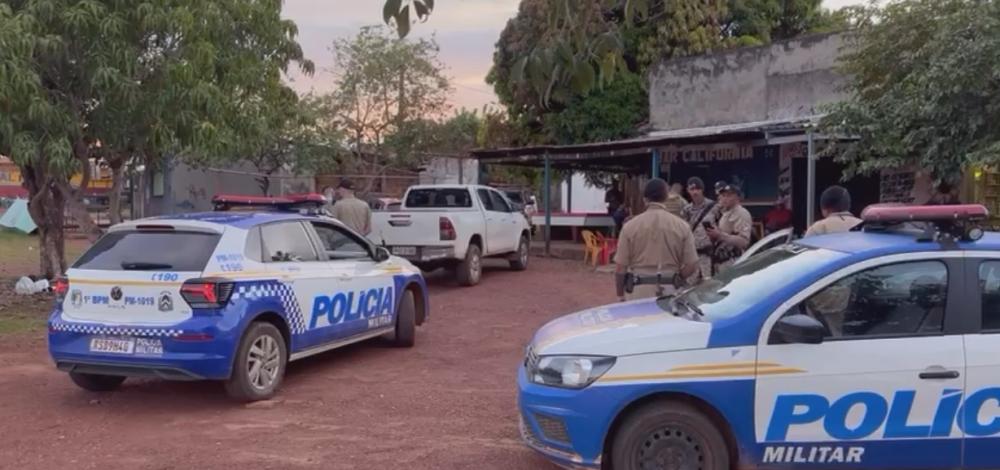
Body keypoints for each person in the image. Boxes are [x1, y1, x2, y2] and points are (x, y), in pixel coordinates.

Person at [614, 178, 698, 301]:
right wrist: (676, 278)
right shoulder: (682, 226)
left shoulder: (630, 226)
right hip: (670, 291)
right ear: (665, 198)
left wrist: (620, 295)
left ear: (645, 199)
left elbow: (620, 268)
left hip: (638, 291)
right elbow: (692, 265)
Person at [707, 184, 752, 274]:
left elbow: (744, 241)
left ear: (737, 197)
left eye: (729, 196)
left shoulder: (741, 213)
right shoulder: (725, 213)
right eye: (723, 196)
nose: (725, 199)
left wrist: (720, 235)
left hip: (733, 261)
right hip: (720, 261)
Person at [681, 177, 717, 283]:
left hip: (709, 256)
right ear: (688, 191)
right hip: (692, 256)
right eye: (692, 189)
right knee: (690, 288)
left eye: (697, 189)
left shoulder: (714, 207)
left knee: (709, 286)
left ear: (702, 190)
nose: (695, 192)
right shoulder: (686, 210)